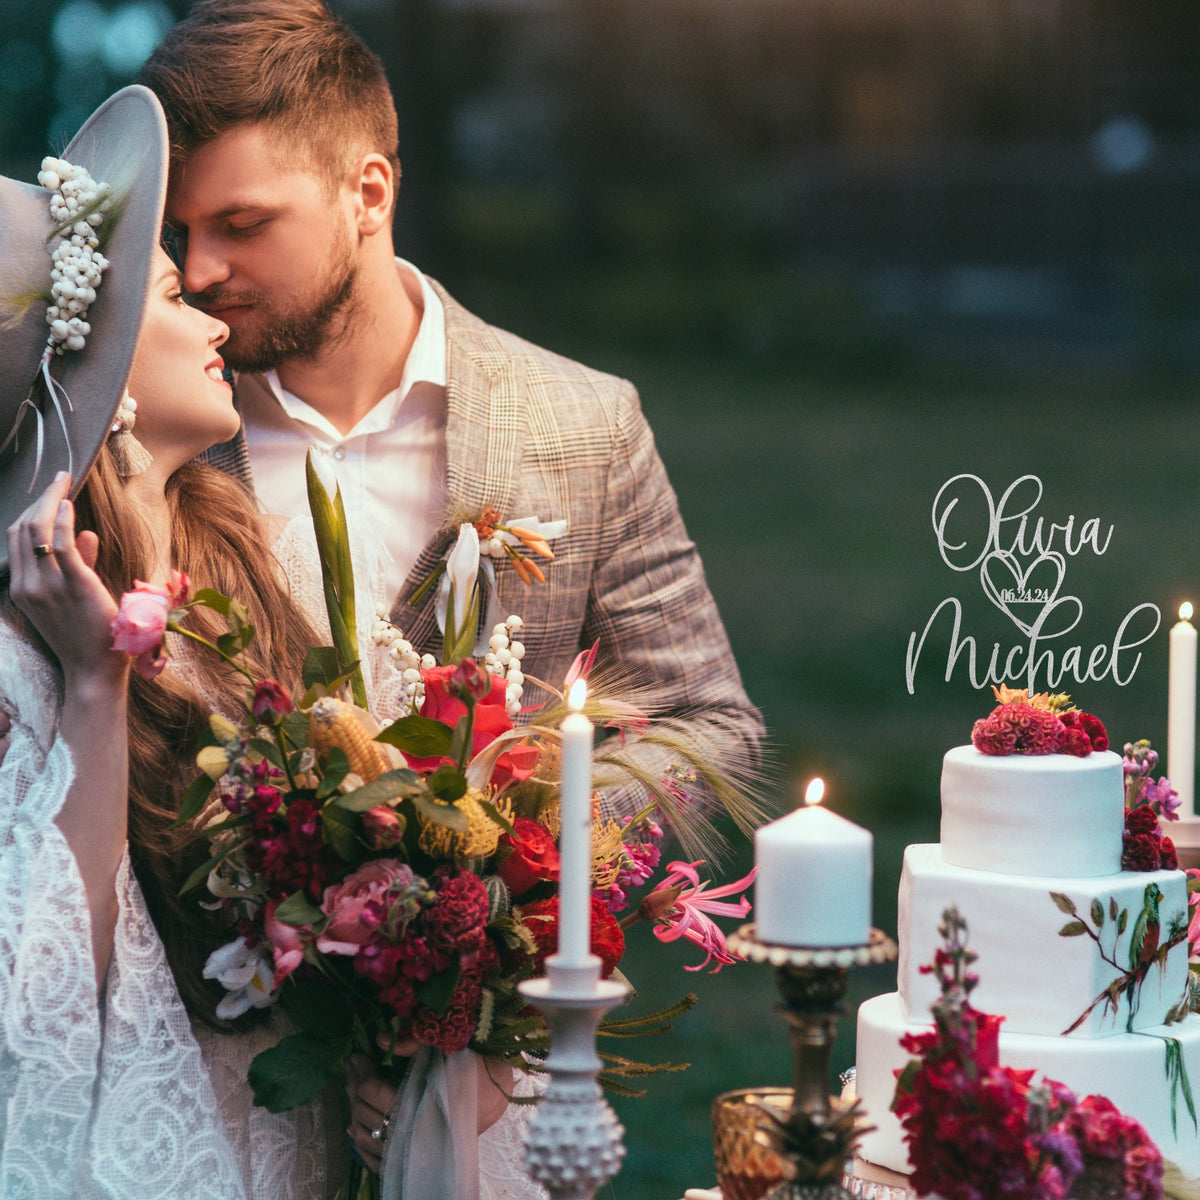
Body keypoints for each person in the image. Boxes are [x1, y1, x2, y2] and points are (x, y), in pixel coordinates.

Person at [0, 86, 535, 1200]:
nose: (204, 304)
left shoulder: (232, 544)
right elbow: (44, 1003)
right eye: (162, 290)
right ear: (90, 368)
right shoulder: (24, 645)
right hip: (186, 1143)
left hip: (303, 1123)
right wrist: (96, 688)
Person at [136, 0, 766, 838]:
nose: (203, 268)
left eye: (241, 225)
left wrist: (510, 838)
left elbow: (713, 731)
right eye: (181, 231)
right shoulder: (155, 434)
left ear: (368, 192)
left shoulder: (590, 425)